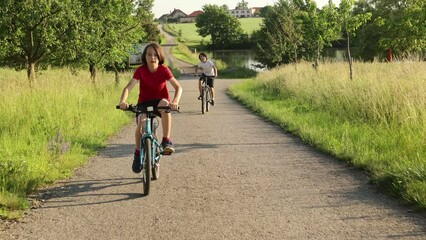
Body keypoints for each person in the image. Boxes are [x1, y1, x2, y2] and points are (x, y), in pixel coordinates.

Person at [119, 42, 183, 173]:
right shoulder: (140, 70)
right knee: (141, 124)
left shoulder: (164, 70)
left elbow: (178, 87)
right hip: (144, 103)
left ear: (160, 57)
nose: (152, 57)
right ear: (145, 57)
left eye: (155, 55)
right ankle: (137, 154)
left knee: (165, 104)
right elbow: (128, 87)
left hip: (160, 103)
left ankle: (166, 140)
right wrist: (123, 101)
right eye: (149, 54)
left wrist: (175, 101)